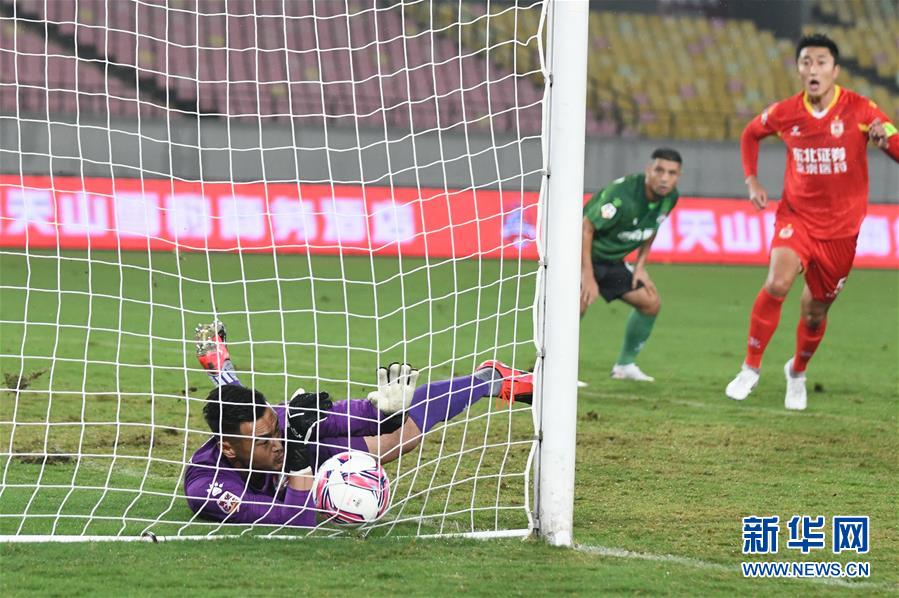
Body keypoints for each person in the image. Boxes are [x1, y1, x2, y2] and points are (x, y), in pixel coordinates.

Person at [183, 321, 533, 527]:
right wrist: (298, 457)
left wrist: (388, 409)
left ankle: (490, 380)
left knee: (395, 431)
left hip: (296, 439)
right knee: (395, 444)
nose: (277, 443)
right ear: (229, 450)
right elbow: (294, 519)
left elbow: (362, 416)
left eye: (275, 433)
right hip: (295, 454)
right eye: (264, 442)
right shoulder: (209, 487)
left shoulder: (282, 425)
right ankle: (221, 369)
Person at [725, 33, 899, 410]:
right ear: (799, 70)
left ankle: (797, 372)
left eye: (821, 62)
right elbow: (751, 133)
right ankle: (750, 367)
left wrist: (886, 141)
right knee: (777, 282)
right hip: (797, 217)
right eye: (806, 62)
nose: (813, 69)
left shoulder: (861, 109)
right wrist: (752, 179)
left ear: (835, 71)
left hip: (841, 231)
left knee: (815, 312)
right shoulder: (786, 112)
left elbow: (894, 139)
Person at [580, 148, 683, 382]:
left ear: (679, 176)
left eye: (672, 173)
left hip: (612, 261)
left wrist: (640, 266)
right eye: (659, 170)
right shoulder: (621, 196)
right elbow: (586, 227)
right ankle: (556, 370)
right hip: (579, 255)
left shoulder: (670, 197)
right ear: (648, 170)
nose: (664, 178)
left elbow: (652, 226)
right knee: (577, 304)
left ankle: (625, 365)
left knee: (650, 303)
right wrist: (587, 275)